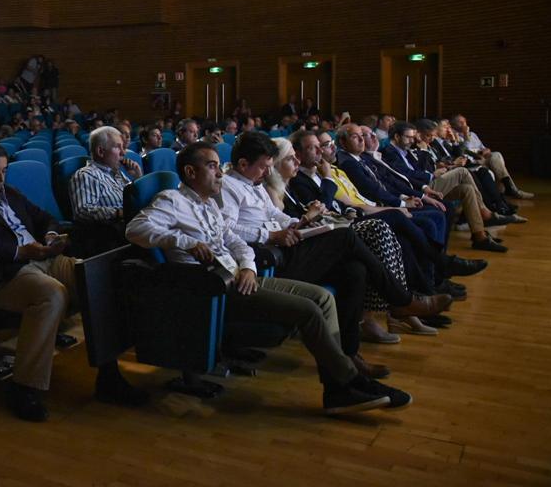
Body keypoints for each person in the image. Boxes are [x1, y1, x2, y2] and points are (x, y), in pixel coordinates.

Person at [125, 142, 411, 414]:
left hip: (240, 276)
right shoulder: (172, 200)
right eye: (212, 166)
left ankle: (338, 385)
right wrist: (183, 242)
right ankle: (349, 383)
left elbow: (235, 241)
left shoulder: (209, 204)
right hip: (210, 286)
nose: (219, 172)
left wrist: (248, 266)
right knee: (309, 311)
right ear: (190, 172)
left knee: (322, 298)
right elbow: (135, 229)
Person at [0, 141, 146, 422]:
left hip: (44, 258)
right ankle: (24, 387)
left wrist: (51, 237)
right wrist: (19, 251)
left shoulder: (9, 193)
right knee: (52, 295)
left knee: (95, 279)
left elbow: (45, 218)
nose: (0, 179)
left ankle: (109, 377)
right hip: (8, 272)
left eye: (4, 171)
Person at [219, 132, 447, 380]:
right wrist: (270, 236)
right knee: (345, 237)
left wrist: (300, 222)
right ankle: (400, 299)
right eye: (264, 167)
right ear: (243, 165)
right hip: (269, 261)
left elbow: (276, 214)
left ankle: (350, 354)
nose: (267, 173)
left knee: (354, 271)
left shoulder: (254, 186)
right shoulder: (228, 188)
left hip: (288, 246)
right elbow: (228, 229)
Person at [268, 136, 452, 343]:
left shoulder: (291, 184)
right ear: (274, 164)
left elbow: (337, 205)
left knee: (362, 262)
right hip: (303, 247)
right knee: (378, 228)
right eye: (291, 159)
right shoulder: (285, 187)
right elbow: (293, 221)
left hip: (334, 224)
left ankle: (390, 314)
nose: (298, 162)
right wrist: (319, 198)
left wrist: (331, 211)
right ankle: (407, 298)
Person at [384, 122, 514, 252]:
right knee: (462, 172)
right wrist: (431, 175)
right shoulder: (389, 152)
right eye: (408, 137)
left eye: (413, 137)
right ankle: (485, 212)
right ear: (396, 137)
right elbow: (405, 174)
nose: (412, 141)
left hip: (425, 185)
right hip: (416, 190)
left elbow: (421, 167)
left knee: (466, 190)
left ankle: (479, 236)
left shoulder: (406, 150)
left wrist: (428, 159)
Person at [69, 126, 141, 256]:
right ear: (101, 151)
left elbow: (135, 199)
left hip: (134, 225)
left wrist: (138, 177)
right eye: (118, 147)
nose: (123, 153)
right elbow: (82, 211)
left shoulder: (119, 173)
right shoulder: (86, 175)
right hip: (114, 235)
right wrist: (119, 213)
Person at [450, 114, 533, 199]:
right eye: (461, 122)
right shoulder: (454, 137)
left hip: (483, 157)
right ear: (454, 125)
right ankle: (511, 190)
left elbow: (483, 147)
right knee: (496, 162)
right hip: (473, 161)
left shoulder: (473, 134)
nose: (464, 124)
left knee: (496, 155)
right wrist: (465, 135)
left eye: (465, 121)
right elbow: (463, 152)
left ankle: (508, 189)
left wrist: (486, 150)